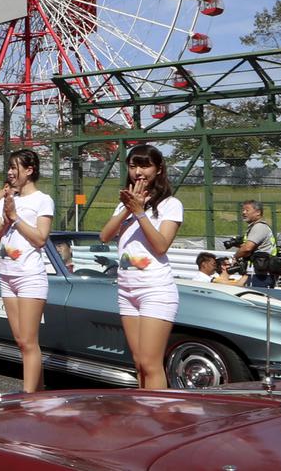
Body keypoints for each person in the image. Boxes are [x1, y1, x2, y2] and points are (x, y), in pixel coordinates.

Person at [99, 145, 183, 388]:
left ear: (158, 170)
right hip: (127, 290)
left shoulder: (170, 204)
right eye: (133, 166)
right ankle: (144, 414)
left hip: (155, 290)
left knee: (150, 363)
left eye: (145, 165)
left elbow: (161, 245)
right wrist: (128, 208)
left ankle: (159, 419)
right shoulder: (124, 205)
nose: (138, 172)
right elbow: (104, 236)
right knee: (138, 362)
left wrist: (140, 212)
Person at [0, 149, 54, 393]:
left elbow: (40, 238)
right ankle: (36, 395)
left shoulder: (42, 200)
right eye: (9, 166)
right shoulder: (6, 199)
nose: (9, 172)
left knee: (29, 341)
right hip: (6, 276)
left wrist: (15, 217)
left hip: (29, 276)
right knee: (20, 341)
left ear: (30, 170)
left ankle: (28, 398)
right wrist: (5, 215)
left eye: (15, 167)